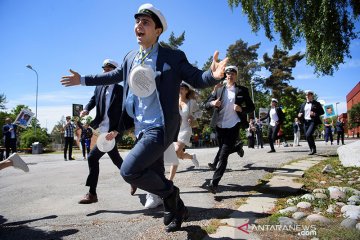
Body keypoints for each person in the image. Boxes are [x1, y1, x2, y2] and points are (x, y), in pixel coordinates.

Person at [60, 3, 228, 232]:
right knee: (156, 173)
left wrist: (213, 76)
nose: (139, 25)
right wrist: (82, 80)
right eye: (137, 21)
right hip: (141, 128)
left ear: (158, 30)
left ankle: (171, 195)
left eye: (145, 22)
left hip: (161, 126)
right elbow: (111, 76)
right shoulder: (130, 57)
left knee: (129, 170)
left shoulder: (173, 56)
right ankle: (177, 211)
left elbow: (197, 78)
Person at [78, 59, 125, 204]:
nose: (105, 71)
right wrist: (86, 109)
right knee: (116, 159)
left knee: (92, 157)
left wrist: (118, 130)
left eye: (109, 69)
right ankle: (133, 178)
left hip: (114, 131)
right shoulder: (99, 87)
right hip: (102, 129)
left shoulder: (121, 90)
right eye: (104, 69)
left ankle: (92, 193)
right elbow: (93, 100)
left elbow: (125, 112)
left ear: (115, 72)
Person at [203, 65, 254, 193]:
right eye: (228, 73)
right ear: (225, 75)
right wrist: (213, 103)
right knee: (222, 150)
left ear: (236, 75)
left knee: (223, 155)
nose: (230, 76)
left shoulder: (242, 90)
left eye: (232, 74)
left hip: (233, 125)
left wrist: (241, 109)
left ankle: (214, 183)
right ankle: (237, 147)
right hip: (220, 125)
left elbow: (251, 107)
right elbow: (205, 104)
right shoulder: (219, 89)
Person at [298, 90, 325, 155]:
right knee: (307, 136)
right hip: (305, 122)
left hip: (312, 121)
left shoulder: (316, 103)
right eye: (306, 95)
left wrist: (315, 114)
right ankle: (312, 149)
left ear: (312, 96)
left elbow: (322, 112)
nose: (307, 96)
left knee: (308, 134)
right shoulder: (303, 104)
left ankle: (313, 149)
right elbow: (301, 112)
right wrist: (299, 114)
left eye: (309, 95)